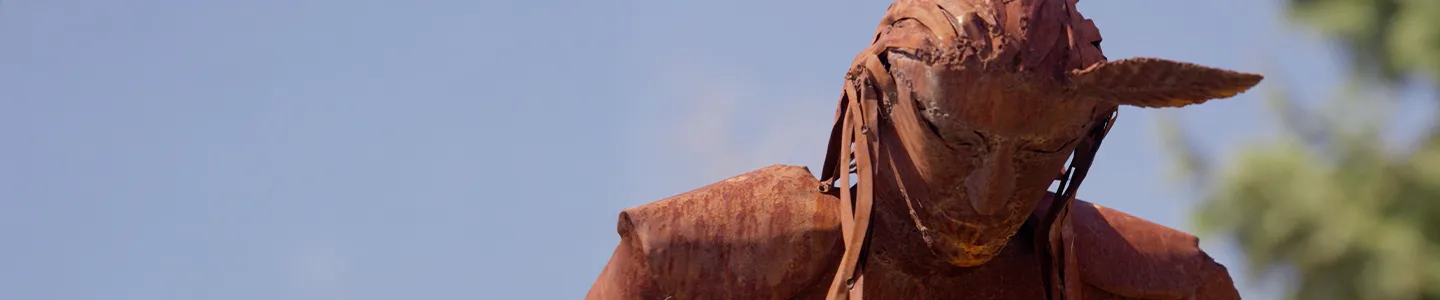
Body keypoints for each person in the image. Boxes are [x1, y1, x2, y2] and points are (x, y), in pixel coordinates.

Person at [586, 0, 1264, 299]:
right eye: (954, 137)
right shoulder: (690, 264)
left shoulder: (1167, 288)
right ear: (872, 101)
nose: (989, 195)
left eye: (1035, 153)